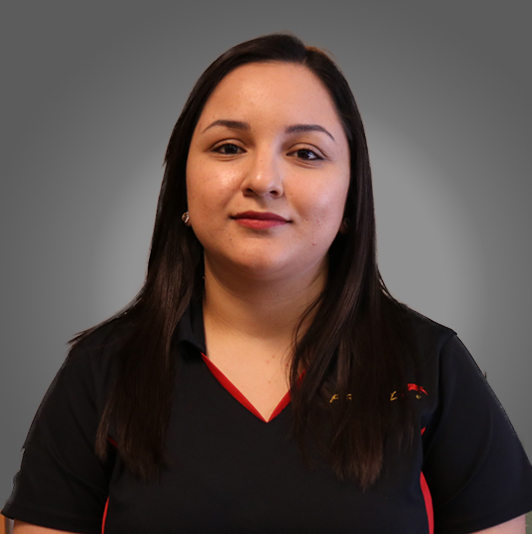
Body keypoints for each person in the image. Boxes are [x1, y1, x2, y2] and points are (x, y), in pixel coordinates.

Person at [3, 33, 532, 534]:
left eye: (305, 153)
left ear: (351, 197)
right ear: (182, 185)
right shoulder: (101, 370)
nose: (263, 180)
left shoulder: (432, 364)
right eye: (228, 147)